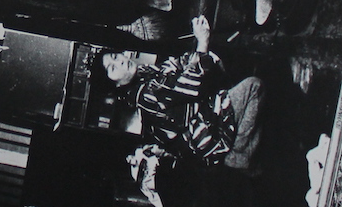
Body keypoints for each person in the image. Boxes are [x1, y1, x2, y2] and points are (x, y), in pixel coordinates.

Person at [101, 15, 263, 170]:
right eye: (113, 68)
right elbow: (190, 85)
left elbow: (177, 64)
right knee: (253, 86)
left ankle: (245, 155)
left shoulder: (143, 72)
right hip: (207, 134)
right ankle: (237, 155)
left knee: (216, 64)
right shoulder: (144, 97)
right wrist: (202, 42)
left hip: (205, 112)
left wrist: (198, 51)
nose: (121, 62)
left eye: (115, 56)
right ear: (116, 84)